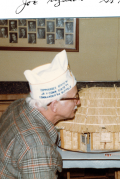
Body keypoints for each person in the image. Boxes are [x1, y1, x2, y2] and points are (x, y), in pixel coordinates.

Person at [0, 50, 80, 178]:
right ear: (54, 105)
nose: (78, 102)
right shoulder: (37, 146)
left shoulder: (19, 105)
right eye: (75, 97)